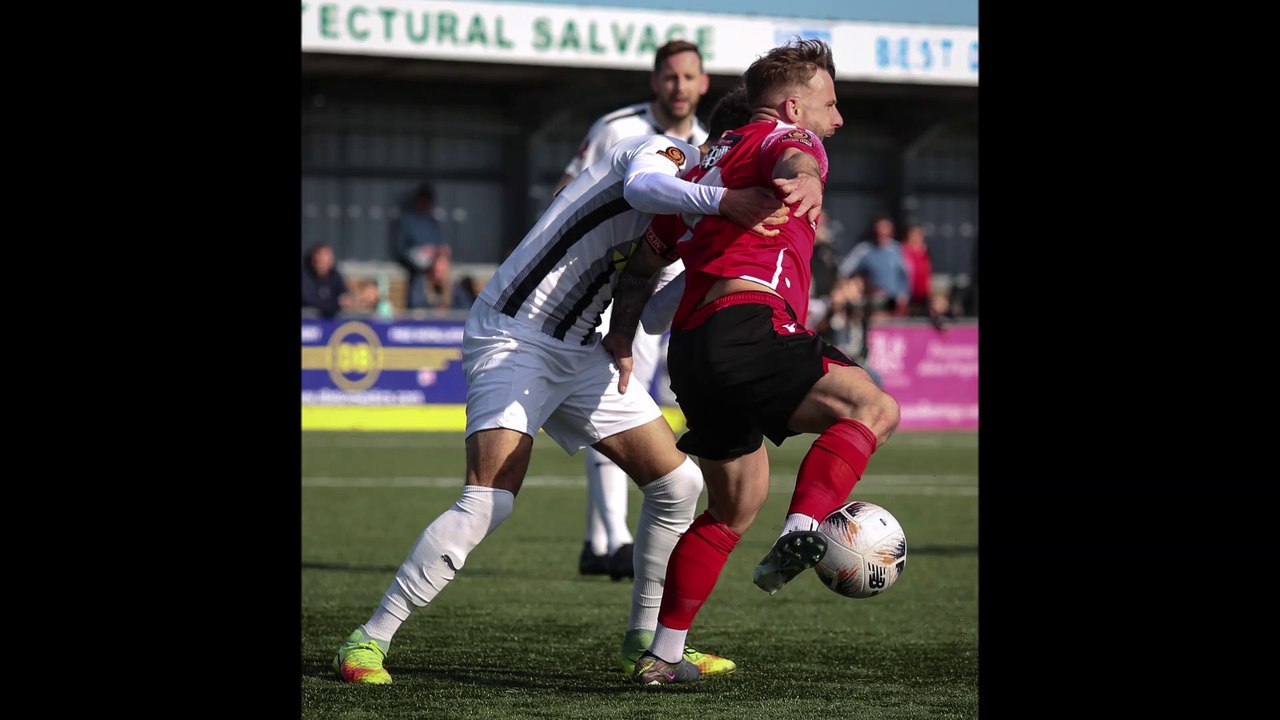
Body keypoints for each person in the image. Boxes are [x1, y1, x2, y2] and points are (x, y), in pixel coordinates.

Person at [332, 109, 824, 686]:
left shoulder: (696, 222)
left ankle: (645, 643)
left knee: (678, 485)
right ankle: (369, 638)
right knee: (490, 499)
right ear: (734, 147)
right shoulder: (666, 154)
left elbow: (656, 311)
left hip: (581, 349)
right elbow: (643, 189)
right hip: (514, 332)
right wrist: (722, 204)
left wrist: (714, 263)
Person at [600, 39, 902, 685]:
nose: (838, 118)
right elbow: (792, 152)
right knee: (873, 406)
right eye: (831, 103)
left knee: (734, 507)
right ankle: (805, 526)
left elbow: (644, 265)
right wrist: (808, 175)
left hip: (694, 353)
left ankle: (664, 655)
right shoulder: (783, 136)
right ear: (794, 104)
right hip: (751, 324)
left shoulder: (701, 172)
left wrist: (622, 337)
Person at [555, 39, 712, 582]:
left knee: (619, 397)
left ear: (702, 83)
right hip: (601, 287)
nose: (679, 86)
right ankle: (616, 538)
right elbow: (566, 194)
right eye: (670, 76)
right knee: (614, 398)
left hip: (652, 291)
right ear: (655, 81)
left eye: (688, 77)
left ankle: (599, 543)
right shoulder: (617, 128)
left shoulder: (709, 145)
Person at [392, 182, 449, 310]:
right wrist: (420, 253)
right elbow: (400, 250)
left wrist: (439, 253)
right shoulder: (407, 221)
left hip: (434, 273)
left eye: (428, 201)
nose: (426, 204)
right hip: (417, 270)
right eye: (423, 200)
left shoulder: (433, 222)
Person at [301, 241, 350, 318]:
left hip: (330, 322)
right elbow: (310, 300)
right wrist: (336, 303)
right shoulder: (305, 276)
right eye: (321, 258)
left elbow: (344, 295)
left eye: (329, 258)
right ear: (314, 259)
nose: (325, 262)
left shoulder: (335, 276)